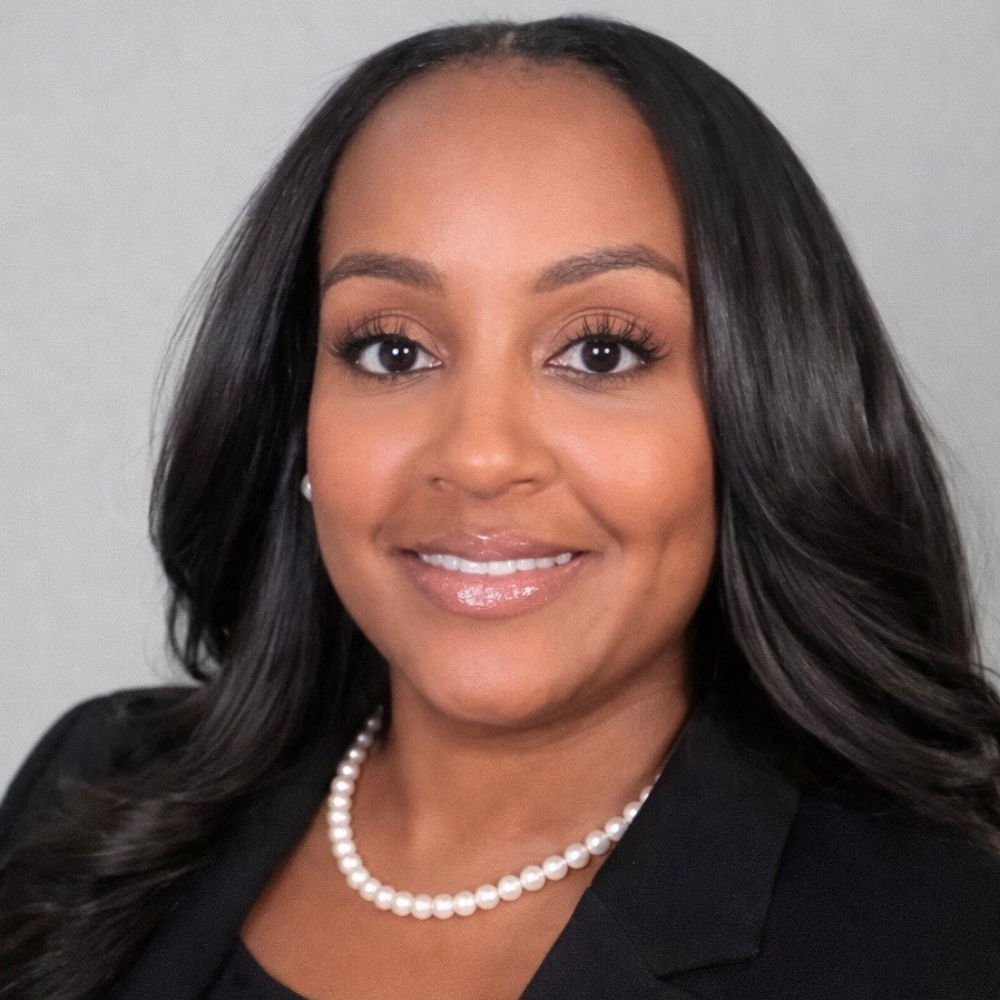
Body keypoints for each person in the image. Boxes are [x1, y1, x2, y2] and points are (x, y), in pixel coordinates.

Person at [2, 14, 999, 1000]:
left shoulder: (941, 937)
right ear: (296, 415)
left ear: (759, 415)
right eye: (392, 350)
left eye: (600, 352)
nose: (479, 457)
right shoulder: (88, 792)